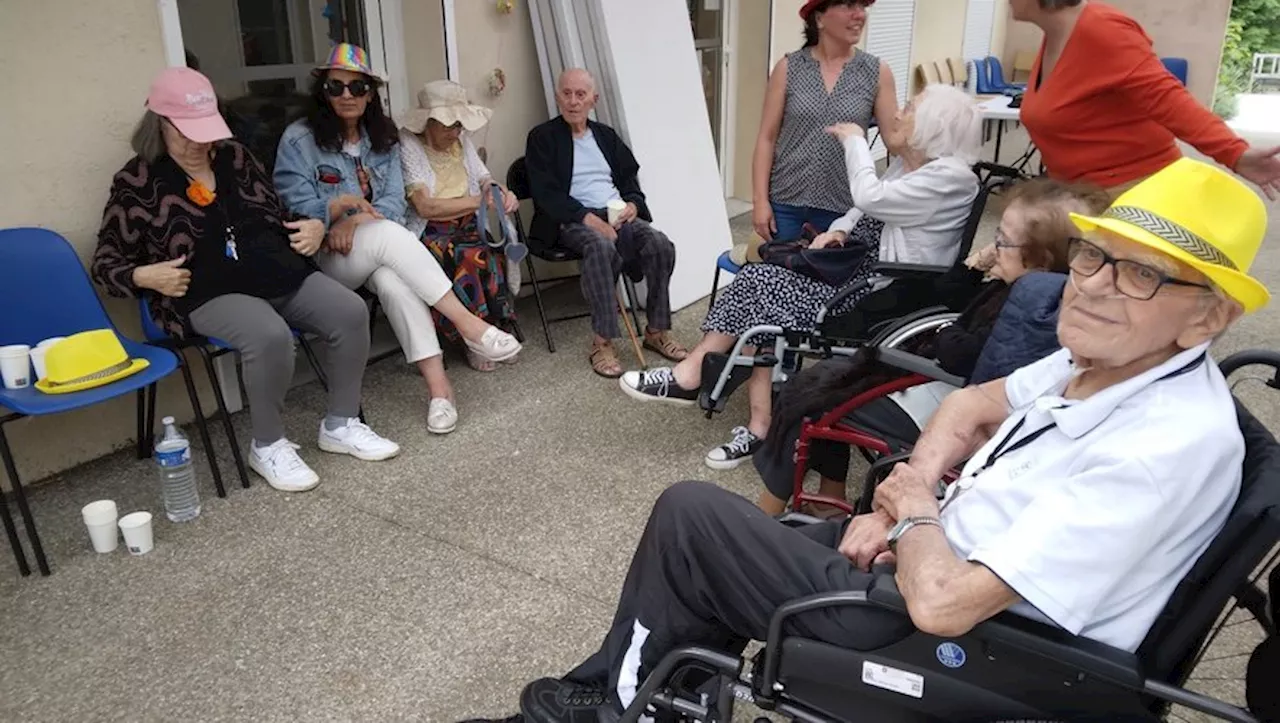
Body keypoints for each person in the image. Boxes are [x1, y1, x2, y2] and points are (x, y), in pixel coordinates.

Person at [466, 156, 1268, 723]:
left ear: (1209, 316)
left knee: (693, 519)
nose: (1093, 287)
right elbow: (966, 409)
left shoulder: (1160, 447)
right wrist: (894, 510)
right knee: (751, 539)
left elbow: (948, 604)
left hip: (973, 644)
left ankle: (618, 705)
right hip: (933, 559)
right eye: (1096, 257)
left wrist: (913, 512)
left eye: (1142, 275)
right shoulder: (1107, 359)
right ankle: (637, 689)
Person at [620, 84, 982, 471]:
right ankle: (743, 414)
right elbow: (860, 212)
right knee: (760, 282)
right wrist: (839, 230)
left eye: (909, 108)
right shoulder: (915, 165)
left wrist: (856, 142)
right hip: (854, 269)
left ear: (935, 126)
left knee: (763, 288)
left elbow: (870, 197)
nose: (897, 113)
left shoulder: (952, 178)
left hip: (881, 290)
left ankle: (704, 387)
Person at [92, 67, 400, 492]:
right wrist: (145, 275)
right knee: (270, 335)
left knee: (348, 311)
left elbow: (276, 214)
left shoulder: (235, 157)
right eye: (186, 133)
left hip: (275, 271)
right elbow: (106, 263)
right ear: (159, 124)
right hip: (203, 291)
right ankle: (268, 444)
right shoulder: (136, 182)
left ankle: (341, 423)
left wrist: (311, 225)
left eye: (205, 130)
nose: (200, 143)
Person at [755, 179, 1111, 516]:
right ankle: (828, 501)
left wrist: (944, 332)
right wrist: (978, 266)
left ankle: (770, 509)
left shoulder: (1020, 309)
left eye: (1002, 239)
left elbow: (958, 355)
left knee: (805, 395)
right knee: (823, 378)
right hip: (938, 386)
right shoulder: (1035, 297)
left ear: (1040, 259)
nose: (995, 244)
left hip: (938, 398)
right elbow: (950, 294)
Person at [274, 44, 521, 434]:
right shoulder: (299, 139)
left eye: (357, 88)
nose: (346, 96)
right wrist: (337, 209)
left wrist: (352, 220)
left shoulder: (381, 137)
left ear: (370, 93)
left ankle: (440, 393)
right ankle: (471, 325)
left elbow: (390, 201)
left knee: (393, 278)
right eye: (336, 87)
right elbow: (294, 202)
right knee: (391, 235)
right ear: (323, 90)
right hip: (324, 256)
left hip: (370, 242)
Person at [1013, 0, 1280, 199]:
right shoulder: (1057, 35)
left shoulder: (1103, 30)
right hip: (1079, 195)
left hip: (1129, 195)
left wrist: (1235, 153)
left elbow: (1170, 101)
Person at [524, 68, 688, 378]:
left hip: (614, 214)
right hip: (570, 218)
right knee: (599, 247)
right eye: (567, 94)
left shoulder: (606, 137)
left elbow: (630, 183)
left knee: (659, 245)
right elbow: (546, 194)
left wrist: (632, 206)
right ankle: (602, 342)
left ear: (593, 100)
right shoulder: (542, 138)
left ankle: (656, 330)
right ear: (558, 97)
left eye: (580, 95)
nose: (573, 101)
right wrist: (587, 218)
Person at [752, 0, 902, 243]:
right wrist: (760, 201)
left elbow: (896, 142)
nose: (859, 15)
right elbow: (766, 138)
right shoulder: (788, 68)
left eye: (862, 7)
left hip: (842, 206)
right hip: (785, 202)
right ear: (819, 18)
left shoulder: (876, 72)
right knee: (779, 276)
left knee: (830, 278)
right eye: (847, 6)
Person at [399, 80, 522, 372]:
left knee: (492, 249)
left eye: (459, 125)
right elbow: (424, 207)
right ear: (427, 122)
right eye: (447, 125)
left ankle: (492, 327)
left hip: (467, 222)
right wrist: (478, 200)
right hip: (430, 230)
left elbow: (483, 177)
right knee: (465, 255)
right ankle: (472, 339)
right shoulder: (409, 144)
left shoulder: (459, 140)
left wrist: (499, 190)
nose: (455, 131)